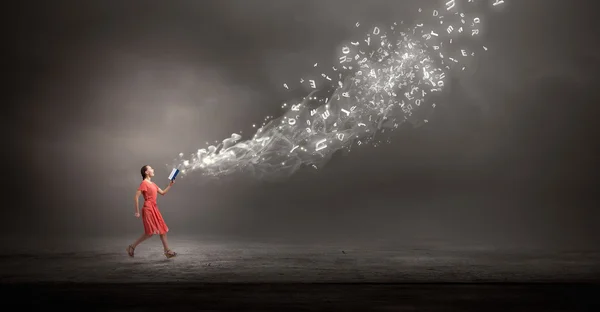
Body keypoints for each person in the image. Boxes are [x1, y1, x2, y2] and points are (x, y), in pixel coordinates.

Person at [126, 165, 177, 258]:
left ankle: (167, 251)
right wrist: (137, 211)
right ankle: (132, 246)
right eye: (151, 168)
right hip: (148, 209)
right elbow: (136, 197)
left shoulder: (153, 184)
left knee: (163, 230)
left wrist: (170, 185)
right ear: (146, 172)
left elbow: (163, 193)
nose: (153, 169)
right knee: (149, 233)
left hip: (154, 208)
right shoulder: (144, 183)